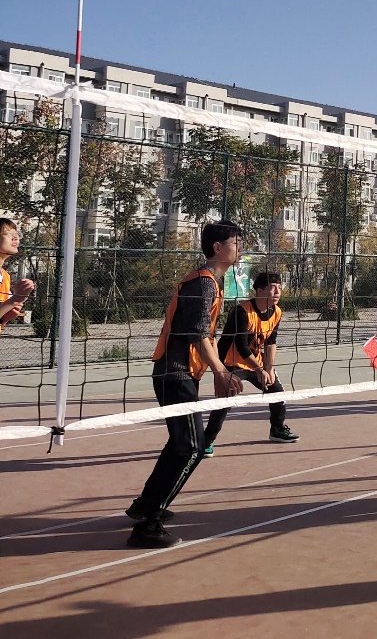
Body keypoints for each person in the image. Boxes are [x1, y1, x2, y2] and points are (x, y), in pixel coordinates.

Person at [126, 220, 245, 549]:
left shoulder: (213, 282)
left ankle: (144, 506)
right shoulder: (203, 282)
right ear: (217, 248)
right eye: (235, 242)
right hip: (174, 374)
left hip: (181, 374)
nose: (241, 248)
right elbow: (197, 333)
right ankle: (148, 523)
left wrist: (216, 370)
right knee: (192, 447)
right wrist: (221, 371)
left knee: (181, 444)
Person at [202, 270, 298, 454]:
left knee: (277, 392)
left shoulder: (277, 312)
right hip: (231, 362)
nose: (277, 292)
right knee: (225, 400)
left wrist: (269, 368)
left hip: (256, 362)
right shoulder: (241, 311)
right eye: (273, 288)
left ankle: (277, 429)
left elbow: (271, 341)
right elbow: (241, 345)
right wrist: (260, 369)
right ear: (260, 291)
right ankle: (207, 440)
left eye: (279, 287)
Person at [0, 218, 35, 331]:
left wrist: (5, 318)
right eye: (9, 234)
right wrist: (15, 300)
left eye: (17, 234)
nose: (16, 238)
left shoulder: (5, 276)